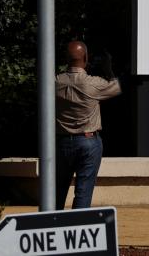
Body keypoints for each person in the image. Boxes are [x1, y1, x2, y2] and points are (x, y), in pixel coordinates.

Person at [55, 40, 122, 210]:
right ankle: (77, 230)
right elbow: (116, 87)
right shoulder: (93, 83)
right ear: (85, 58)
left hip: (61, 143)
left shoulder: (55, 82)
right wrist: (108, 67)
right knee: (83, 193)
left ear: (66, 58)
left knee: (56, 192)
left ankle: (52, 228)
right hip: (88, 142)